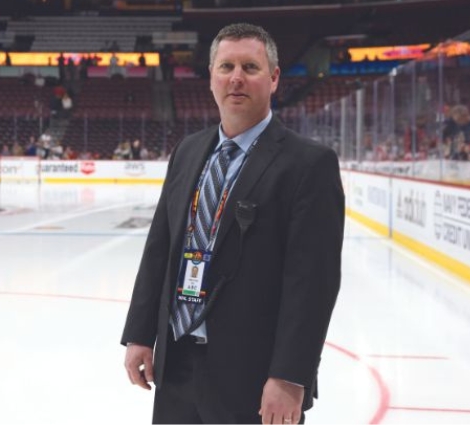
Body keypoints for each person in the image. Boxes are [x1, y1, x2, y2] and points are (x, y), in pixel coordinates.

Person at [121, 23, 344, 424]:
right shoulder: (188, 151)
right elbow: (161, 245)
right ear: (211, 78)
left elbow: (312, 283)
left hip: (254, 377)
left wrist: (290, 377)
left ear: (274, 78)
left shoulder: (308, 164)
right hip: (178, 364)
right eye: (226, 66)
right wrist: (140, 334)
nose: (236, 78)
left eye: (250, 67)